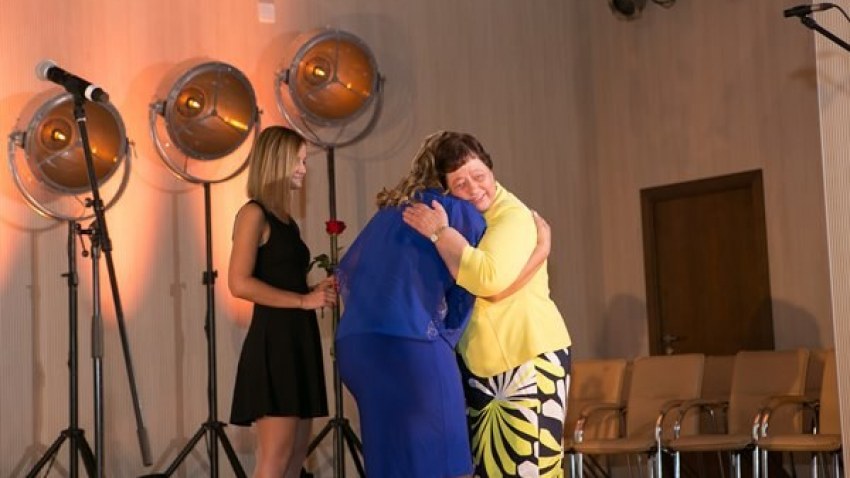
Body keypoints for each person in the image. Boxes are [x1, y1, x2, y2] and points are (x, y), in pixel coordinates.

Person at [403, 131, 573, 478]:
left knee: (530, 471)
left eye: (479, 175)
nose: (474, 188)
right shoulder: (472, 219)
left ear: (491, 168)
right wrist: (541, 252)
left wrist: (440, 234)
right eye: (460, 183)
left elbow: (488, 279)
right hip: (488, 367)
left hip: (527, 355)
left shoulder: (511, 216)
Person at [333, 132, 486, 478]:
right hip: (410, 347)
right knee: (447, 465)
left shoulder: (389, 213)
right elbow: (469, 282)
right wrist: (445, 338)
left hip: (356, 349)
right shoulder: (458, 211)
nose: (474, 187)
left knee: (391, 465)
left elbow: (349, 274)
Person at [228, 126, 336, 478]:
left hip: (297, 341)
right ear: (277, 162)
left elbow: (281, 280)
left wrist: (314, 290)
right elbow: (239, 283)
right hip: (274, 344)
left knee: (294, 458)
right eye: (298, 161)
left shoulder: (287, 222)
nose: (304, 169)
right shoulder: (253, 214)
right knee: (274, 460)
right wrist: (304, 301)